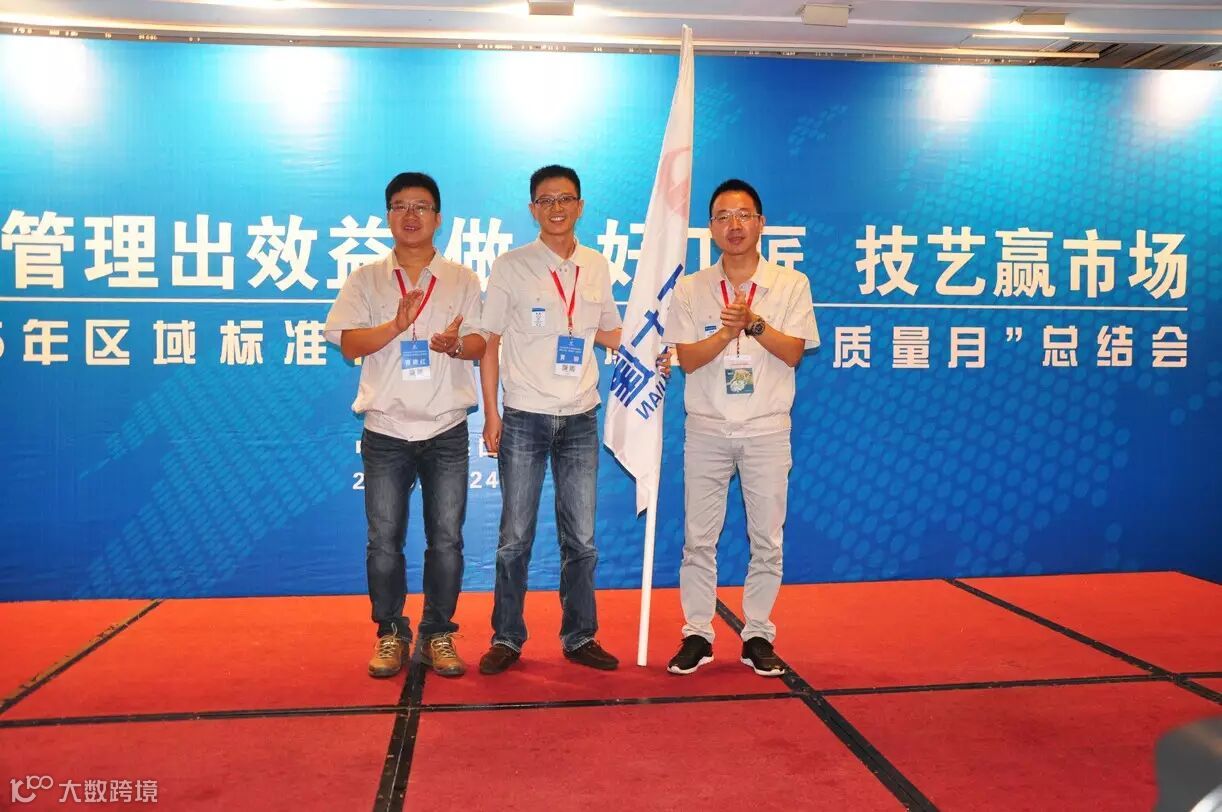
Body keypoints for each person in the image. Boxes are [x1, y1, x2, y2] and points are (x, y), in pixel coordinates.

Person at [324, 172, 486, 679]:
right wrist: (396, 326)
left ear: (439, 218)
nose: (410, 215)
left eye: (421, 206)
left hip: (445, 429)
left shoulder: (462, 279)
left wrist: (455, 346)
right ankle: (391, 632)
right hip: (386, 429)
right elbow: (348, 344)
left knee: (447, 540)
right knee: (383, 541)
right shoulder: (366, 278)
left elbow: (481, 343)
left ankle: (438, 633)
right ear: (388, 216)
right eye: (400, 206)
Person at [664, 178, 819, 677]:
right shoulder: (691, 288)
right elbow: (687, 359)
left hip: (766, 429)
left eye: (743, 215)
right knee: (698, 539)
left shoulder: (791, 284)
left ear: (761, 223)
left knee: (766, 539)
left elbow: (793, 352)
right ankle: (697, 633)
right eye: (723, 217)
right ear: (710, 228)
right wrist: (724, 333)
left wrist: (752, 323)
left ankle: (757, 634)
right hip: (707, 429)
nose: (734, 225)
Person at [474, 165, 625, 675]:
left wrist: (652, 351)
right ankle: (507, 637)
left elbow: (609, 333)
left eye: (565, 199)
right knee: (515, 536)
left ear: (580, 206)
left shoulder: (597, 265)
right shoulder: (511, 265)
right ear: (532, 209)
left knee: (581, 538)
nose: (556, 208)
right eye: (545, 200)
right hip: (524, 417)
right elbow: (489, 342)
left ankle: (580, 636)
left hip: (581, 416)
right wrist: (491, 412)